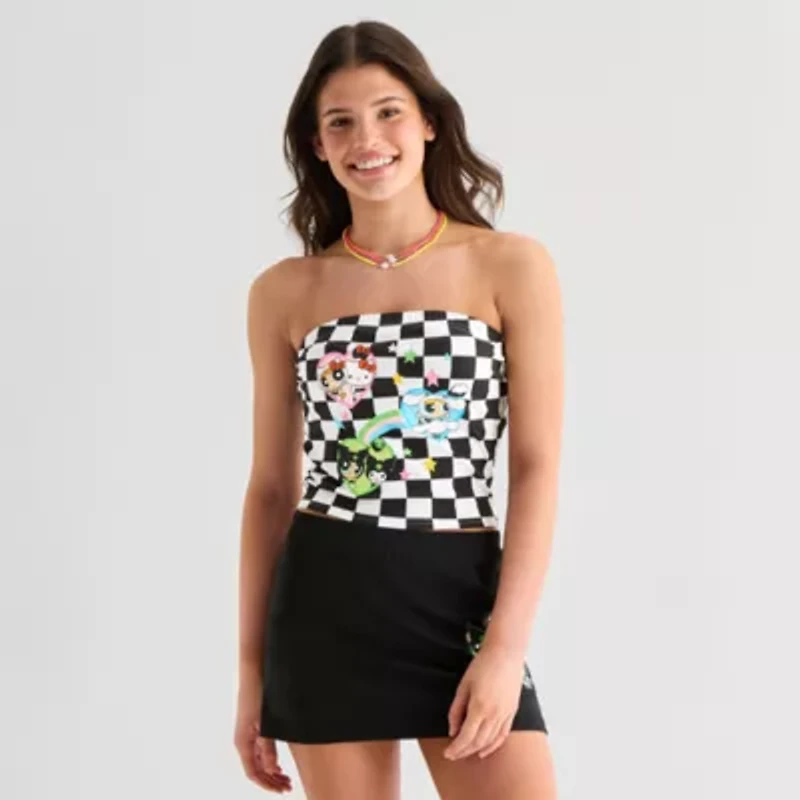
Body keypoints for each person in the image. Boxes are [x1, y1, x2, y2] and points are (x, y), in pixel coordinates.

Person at [234, 19, 563, 799]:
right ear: (316, 145)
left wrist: (505, 648)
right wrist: (251, 675)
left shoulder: (509, 265)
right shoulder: (285, 291)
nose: (367, 140)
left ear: (429, 123)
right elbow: (271, 490)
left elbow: (536, 466)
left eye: (388, 112)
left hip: (460, 597)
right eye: (340, 122)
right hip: (327, 602)